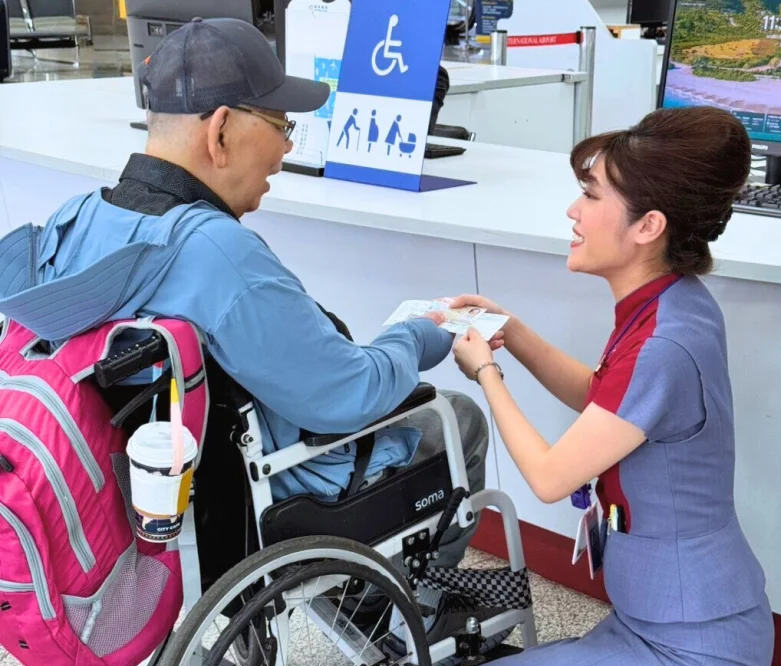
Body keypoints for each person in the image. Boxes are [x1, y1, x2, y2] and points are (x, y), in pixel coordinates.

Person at [0, 17, 488, 605]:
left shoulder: (75, 222)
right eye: (282, 126)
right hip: (268, 503)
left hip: (141, 506)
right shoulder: (217, 255)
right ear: (222, 130)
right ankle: (392, 610)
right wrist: (417, 336)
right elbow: (351, 394)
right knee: (457, 418)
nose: (286, 149)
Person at [449, 107, 775, 666]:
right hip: (660, 617)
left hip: (693, 647)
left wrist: (486, 374)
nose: (574, 212)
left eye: (591, 196)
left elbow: (551, 479)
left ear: (648, 225)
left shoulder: (663, 345)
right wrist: (514, 333)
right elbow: (606, 400)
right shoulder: (672, 302)